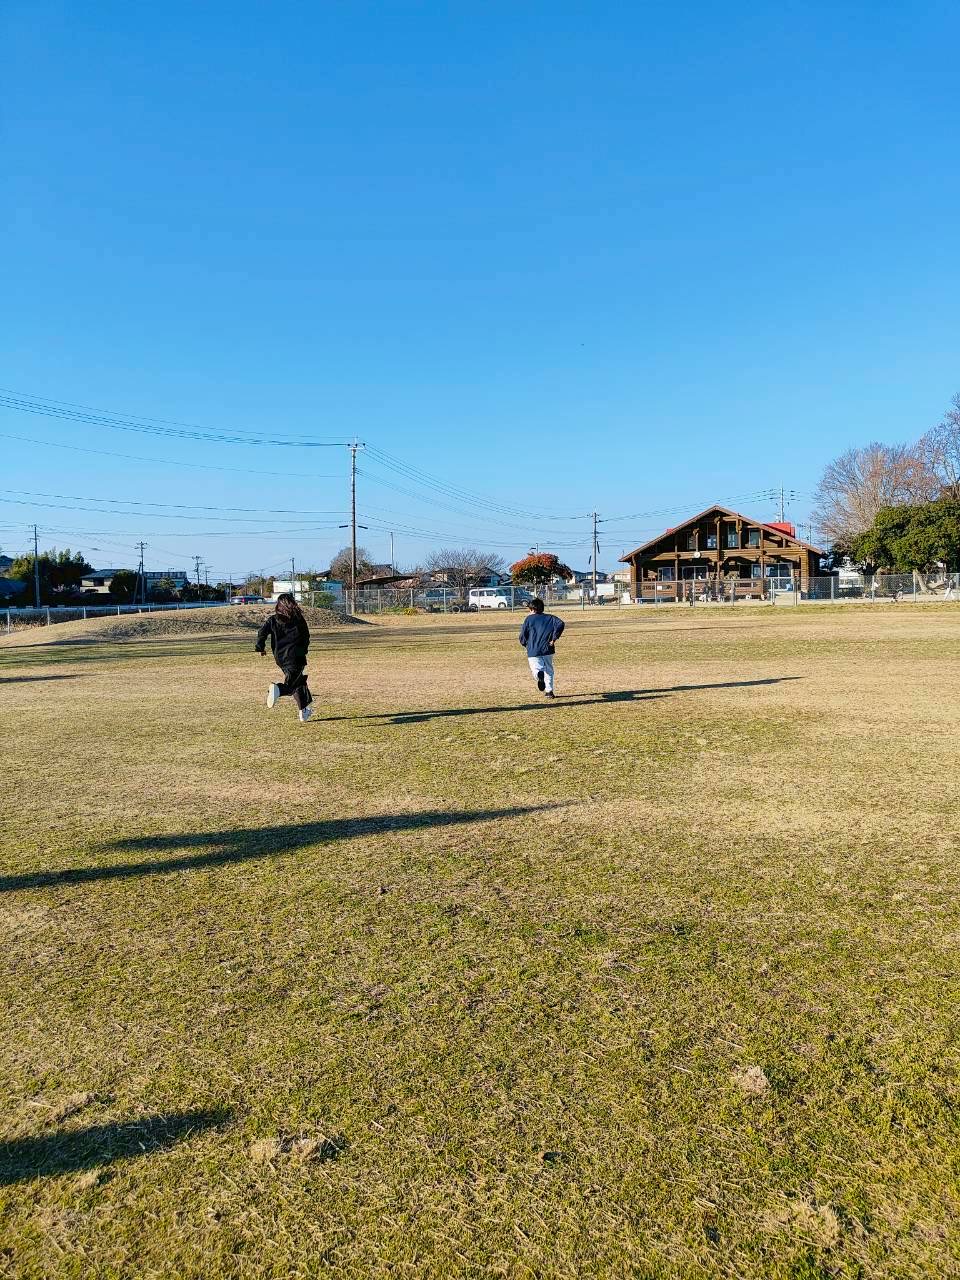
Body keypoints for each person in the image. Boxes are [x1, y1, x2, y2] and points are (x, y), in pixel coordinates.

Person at [254, 593, 314, 722]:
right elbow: (306, 636)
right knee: (293, 684)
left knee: (299, 681)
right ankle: (279, 689)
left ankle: (304, 711)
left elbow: (261, 633)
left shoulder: (273, 620)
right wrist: (303, 650)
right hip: (296, 656)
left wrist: (260, 647)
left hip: (280, 658)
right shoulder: (298, 619)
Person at [519, 597, 564, 698]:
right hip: (548, 648)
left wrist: (525, 644)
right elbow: (561, 623)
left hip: (533, 649)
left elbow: (523, 636)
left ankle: (539, 675)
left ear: (532, 609)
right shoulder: (550, 618)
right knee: (549, 670)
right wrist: (554, 638)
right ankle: (549, 691)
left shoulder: (529, 619)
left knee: (536, 668)